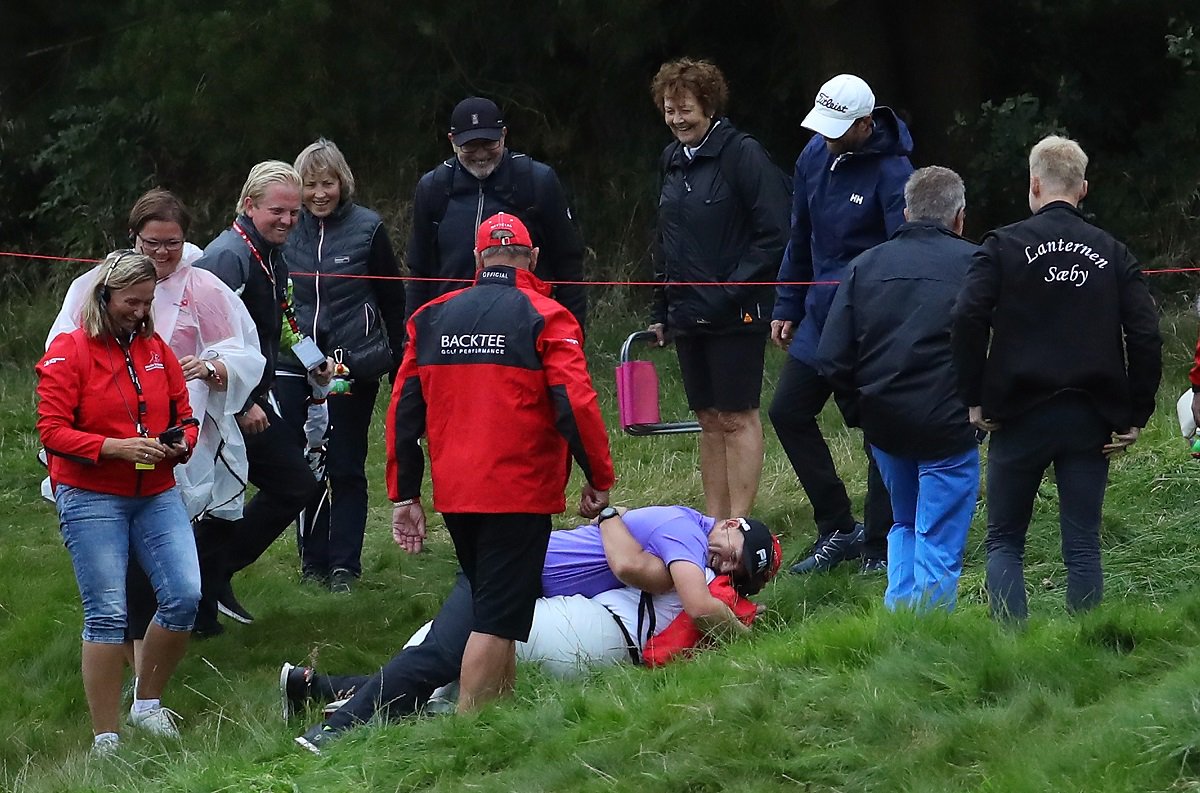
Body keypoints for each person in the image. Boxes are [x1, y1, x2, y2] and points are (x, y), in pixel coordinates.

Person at [281, 506, 782, 753]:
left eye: (733, 574)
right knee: (441, 658)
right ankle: (330, 733)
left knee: (461, 664)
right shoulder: (687, 530)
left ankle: (317, 688)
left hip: (519, 575)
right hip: (511, 571)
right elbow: (693, 603)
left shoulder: (687, 532)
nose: (722, 566)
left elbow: (644, 572)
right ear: (732, 524)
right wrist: (747, 642)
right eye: (731, 556)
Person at [387, 212, 615, 713]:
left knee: (502, 608)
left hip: (456, 493)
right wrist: (599, 477)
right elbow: (575, 403)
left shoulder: (431, 317)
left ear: (477, 258)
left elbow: (403, 409)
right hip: (519, 490)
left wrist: (405, 493)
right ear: (533, 258)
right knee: (493, 619)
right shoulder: (547, 315)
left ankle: (499, 715)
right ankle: (470, 734)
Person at [951, 135, 1162, 621]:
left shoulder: (1002, 245)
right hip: (1090, 417)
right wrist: (1137, 410)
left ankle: (1010, 648)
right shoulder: (1112, 251)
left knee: (1005, 539)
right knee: (1084, 543)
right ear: (1083, 188)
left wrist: (974, 395)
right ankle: (1085, 647)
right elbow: (1146, 334)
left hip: (1017, 413)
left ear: (1034, 184)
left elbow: (966, 317)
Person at [46, 188, 264, 652]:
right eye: (153, 244)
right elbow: (61, 370)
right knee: (114, 576)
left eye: (173, 243)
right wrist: (108, 442)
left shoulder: (203, 287)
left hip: (175, 442)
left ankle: (151, 666)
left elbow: (242, 350)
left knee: (173, 567)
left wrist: (210, 369)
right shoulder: (92, 287)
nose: (165, 254)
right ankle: (123, 646)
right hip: (102, 449)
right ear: (133, 238)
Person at [36, 251, 202, 753]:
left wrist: (182, 443)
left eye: (148, 301)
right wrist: (113, 447)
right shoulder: (69, 351)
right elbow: (51, 431)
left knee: (185, 595)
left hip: (155, 489)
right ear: (104, 297)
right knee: (106, 613)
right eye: (131, 301)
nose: (140, 310)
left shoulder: (157, 350)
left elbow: (185, 414)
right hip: (90, 495)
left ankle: (148, 705)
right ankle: (106, 737)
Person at [769, 73, 914, 574]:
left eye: (838, 129)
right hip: (817, 317)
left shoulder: (895, 173)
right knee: (787, 412)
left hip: (871, 324)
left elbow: (904, 254)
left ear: (866, 125)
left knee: (879, 430)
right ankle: (838, 526)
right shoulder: (814, 156)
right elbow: (800, 235)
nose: (827, 138)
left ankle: (880, 544)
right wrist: (787, 304)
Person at [817, 167, 979, 611]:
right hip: (950, 426)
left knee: (903, 524)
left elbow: (831, 357)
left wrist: (861, 412)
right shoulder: (978, 266)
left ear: (906, 212)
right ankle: (926, 637)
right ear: (959, 217)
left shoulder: (863, 266)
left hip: (885, 425)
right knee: (938, 538)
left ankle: (900, 622)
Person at [647, 58, 791, 522]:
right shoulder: (671, 161)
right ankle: (713, 521)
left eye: (685, 108)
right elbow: (665, 239)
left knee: (736, 416)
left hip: (736, 312)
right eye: (669, 110)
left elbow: (774, 233)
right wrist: (661, 306)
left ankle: (740, 524)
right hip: (687, 312)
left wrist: (729, 290)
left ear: (708, 105)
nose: (677, 119)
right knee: (708, 419)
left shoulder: (742, 154)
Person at [193, 161, 331, 632]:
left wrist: (315, 361)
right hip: (222, 404)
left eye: (294, 213)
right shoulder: (228, 255)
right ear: (248, 205)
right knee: (235, 496)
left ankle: (208, 582)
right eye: (278, 211)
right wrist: (241, 400)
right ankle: (199, 591)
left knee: (292, 485)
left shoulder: (272, 253)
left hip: (253, 397)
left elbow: (285, 324)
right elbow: (203, 342)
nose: (288, 221)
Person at [280, 138, 407, 593]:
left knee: (347, 464)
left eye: (327, 183)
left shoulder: (368, 228)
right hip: (298, 365)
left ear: (342, 182)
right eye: (310, 184)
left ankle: (344, 567)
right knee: (307, 462)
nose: (319, 193)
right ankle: (312, 561)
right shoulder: (285, 229)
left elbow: (394, 298)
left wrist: (397, 357)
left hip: (351, 366)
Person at [405, 96, 586, 329]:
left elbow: (568, 266)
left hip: (523, 329)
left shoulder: (537, 181)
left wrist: (572, 336)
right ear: (452, 141)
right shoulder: (433, 188)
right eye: (470, 146)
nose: (481, 155)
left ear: (503, 135)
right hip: (451, 331)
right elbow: (419, 273)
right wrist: (411, 341)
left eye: (489, 143)